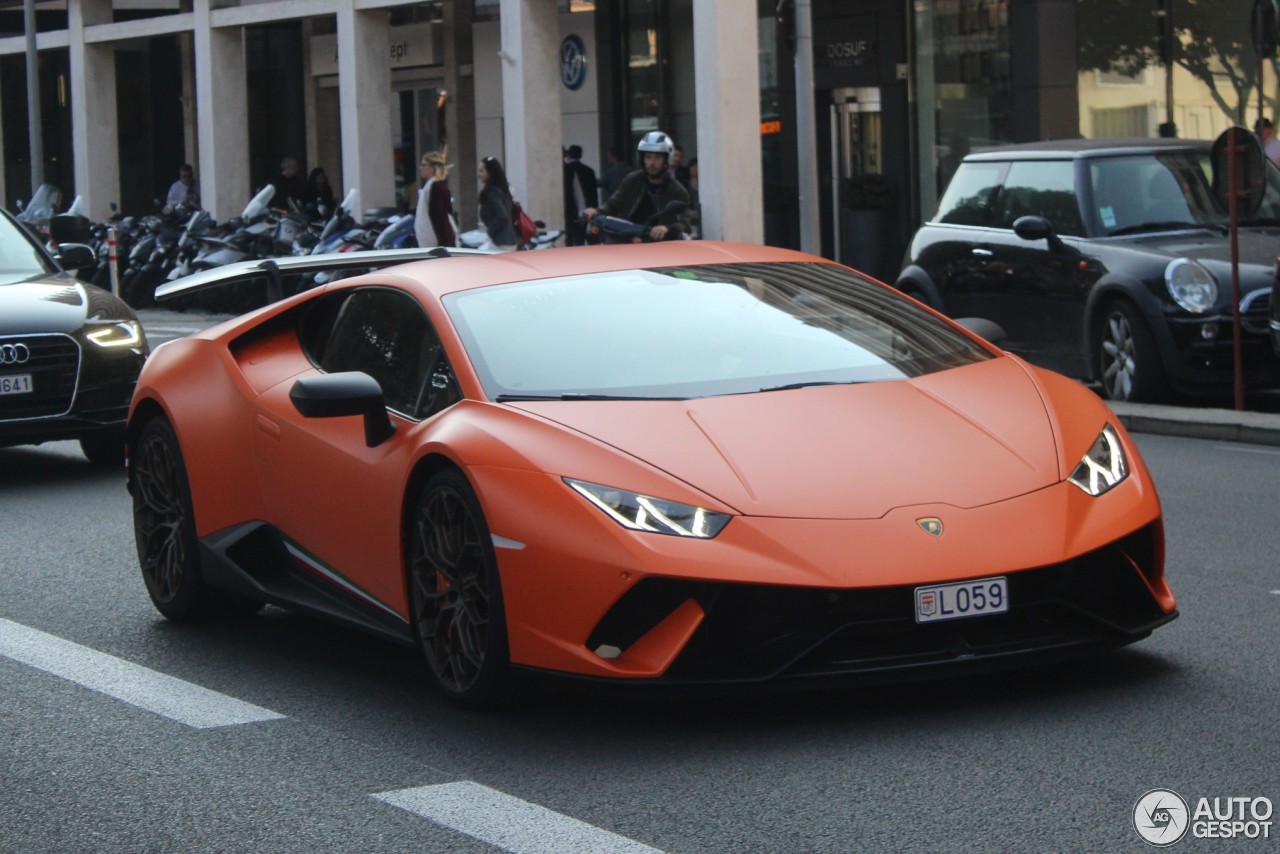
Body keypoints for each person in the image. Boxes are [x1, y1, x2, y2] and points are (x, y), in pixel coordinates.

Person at [583, 131, 691, 242]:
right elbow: (613, 204)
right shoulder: (633, 180)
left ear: (666, 160)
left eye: (657, 158)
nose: (651, 163)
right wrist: (596, 211)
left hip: (659, 245)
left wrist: (666, 228)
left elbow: (685, 225)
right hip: (627, 239)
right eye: (648, 157)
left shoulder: (677, 191)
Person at [415, 150, 458, 248]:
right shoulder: (433, 186)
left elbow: (440, 218)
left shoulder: (436, 187)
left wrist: (443, 245)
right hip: (438, 242)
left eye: (423, 165)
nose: (420, 168)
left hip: (440, 243)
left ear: (433, 168)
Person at [477, 155, 519, 252]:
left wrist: (488, 233)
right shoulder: (503, 190)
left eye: (482, 171)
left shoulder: (492, 192)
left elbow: (502, 216)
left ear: (490, 173)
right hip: (510, 241)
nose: (479, 174)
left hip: (500, 243)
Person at [562, 144, 598, 246]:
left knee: (569, 239)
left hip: (570, 210)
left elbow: (577, 193)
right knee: (580, 239)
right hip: (584, 209)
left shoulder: (566, 170)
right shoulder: (588, 171)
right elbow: (593, 193)